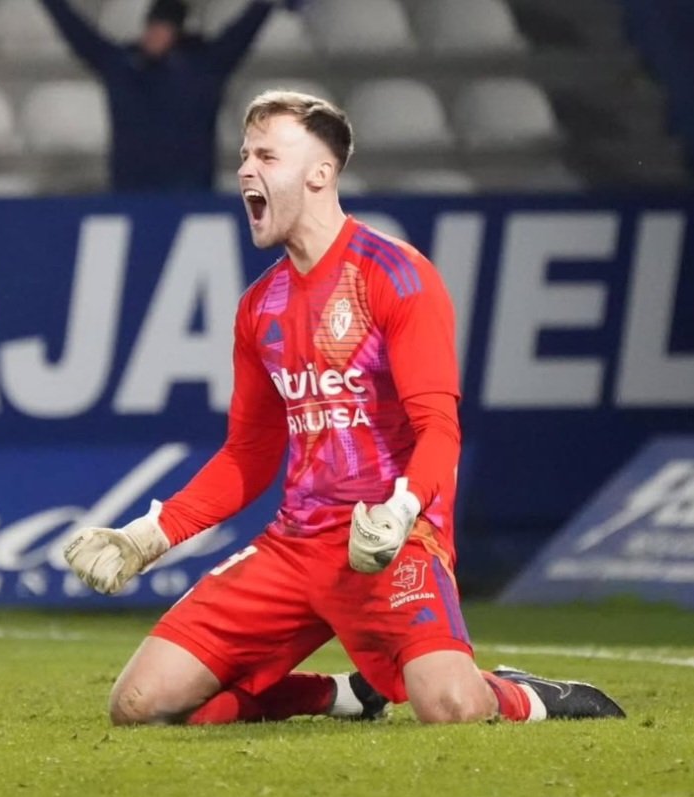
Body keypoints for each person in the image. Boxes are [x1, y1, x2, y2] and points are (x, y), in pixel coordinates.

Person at [64, 90, 627, 726]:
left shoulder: (395, 275)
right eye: (245, 155)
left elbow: (438, 429)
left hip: (390, 540)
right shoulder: (260, 307)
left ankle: (522, 694)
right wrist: (149, 536)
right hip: (296, 545)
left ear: (320, 173)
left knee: (450, 707)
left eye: (266, 155)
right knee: (138, 706)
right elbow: (249, 455)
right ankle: (339, 695)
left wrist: (403, 509)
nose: (246, 170)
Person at [41, 0, 296, 192]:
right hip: (130, 193)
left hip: (190, 194)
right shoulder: (122, 66)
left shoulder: (205, 67)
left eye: (164, 27)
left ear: (178, 33)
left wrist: (264, 6)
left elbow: (242, 33)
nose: (154, 33)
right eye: (152, 26)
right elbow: (79, 35)